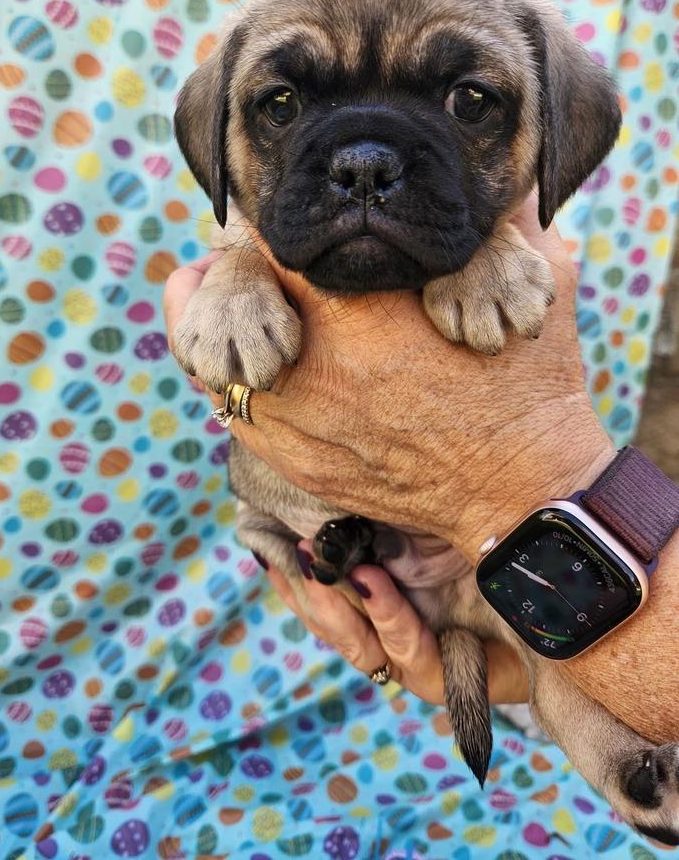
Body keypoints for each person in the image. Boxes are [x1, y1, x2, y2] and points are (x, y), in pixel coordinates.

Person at [163, 196, 678, 745]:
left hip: (483, 566)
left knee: (540, 652)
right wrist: (238, 278)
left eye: (469, 105)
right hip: (361, 553)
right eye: (283, 105)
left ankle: (606, 752)